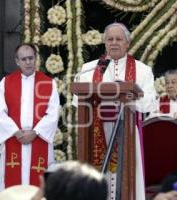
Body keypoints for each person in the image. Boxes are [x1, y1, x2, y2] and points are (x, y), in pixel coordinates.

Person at [73, 22, 156, 200]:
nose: (114, 43)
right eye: (110, 39)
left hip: (127, 132)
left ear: (128, 42)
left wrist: (132, 102)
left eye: (119, 39)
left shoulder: (143, 70)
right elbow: (78, 102)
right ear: (105, 43)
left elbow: (150, 103)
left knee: (126, 177)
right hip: (95, 129)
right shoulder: (89, 69)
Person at [0, 44, 59, 191]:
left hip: (38, 138)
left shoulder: (49, 83)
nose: (28, 62)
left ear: (36, 58)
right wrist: (17, 132)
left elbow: (53, 113)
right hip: (14, 138)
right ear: (17, 61)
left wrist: (35, 132)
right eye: (24, 59)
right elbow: (0, 114)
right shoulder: (6, 83)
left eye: (31, 58)